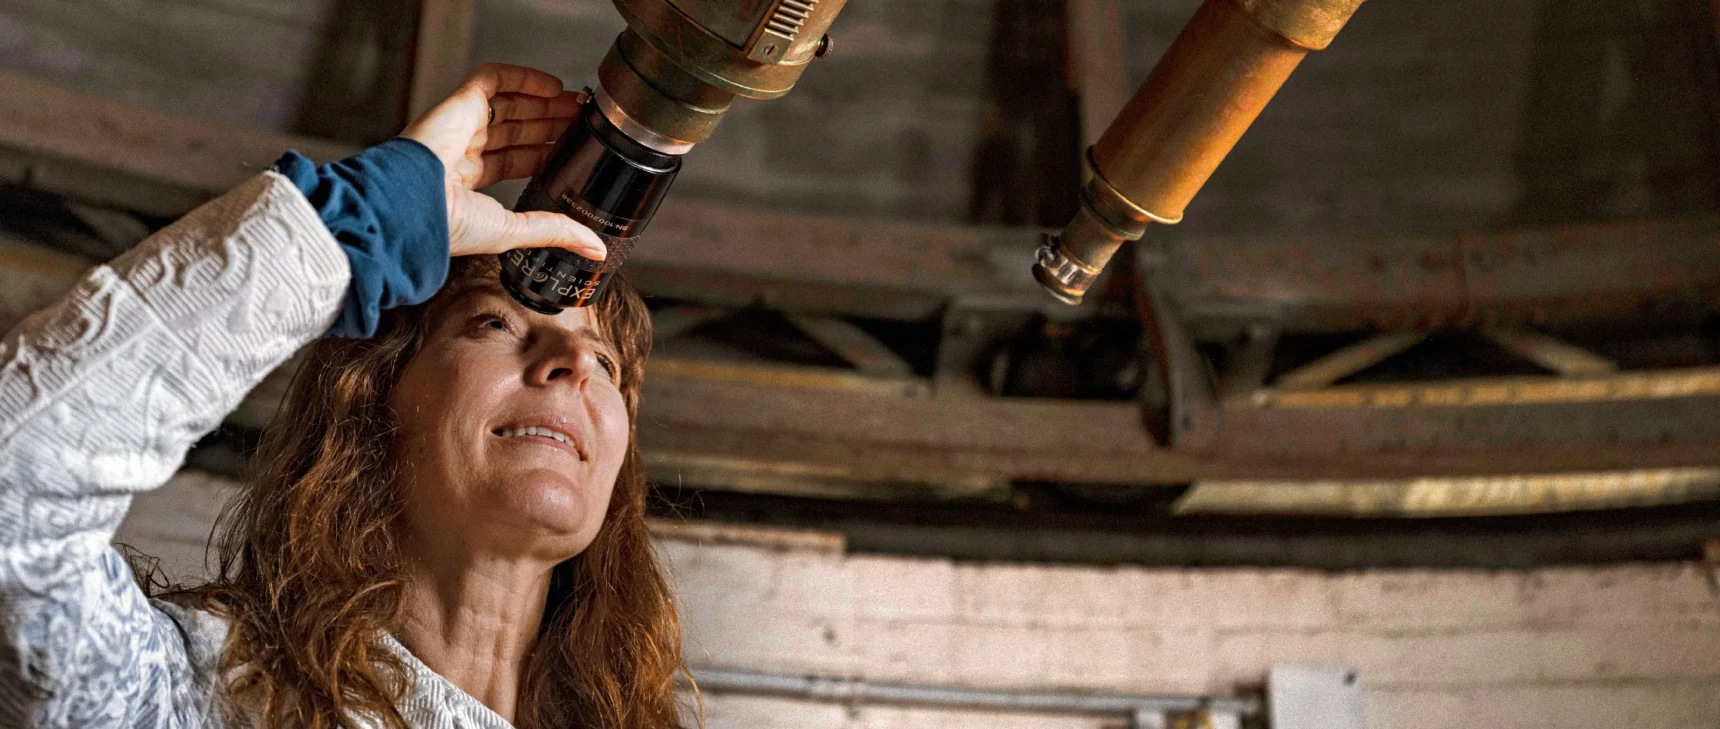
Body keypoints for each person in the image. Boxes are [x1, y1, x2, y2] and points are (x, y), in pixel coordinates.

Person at [0, 64, 687, 728]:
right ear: (373, 398)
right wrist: (355, 226)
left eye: (606, 360)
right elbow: (16, 487)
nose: (573, 362)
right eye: (495, 323)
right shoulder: (203, 698)